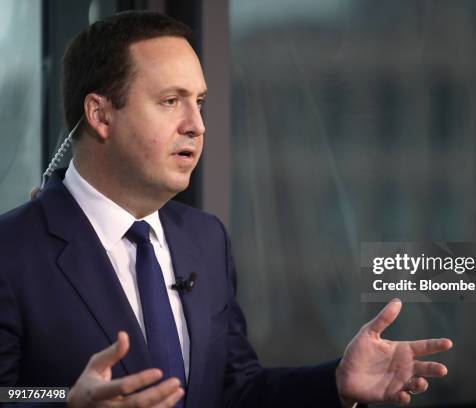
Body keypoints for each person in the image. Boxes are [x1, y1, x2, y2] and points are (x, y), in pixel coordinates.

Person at [0, 11, 452, 407]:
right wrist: (62, 401)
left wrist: (336, 383)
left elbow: (234, 390)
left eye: (199, 103)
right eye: (170, 101)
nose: (196, 126)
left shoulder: (205, 238)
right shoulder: (11, 250)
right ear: (100, 115)